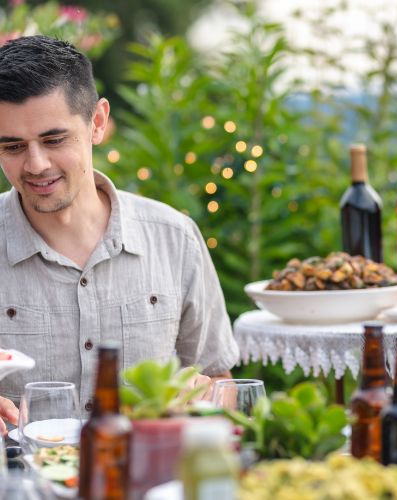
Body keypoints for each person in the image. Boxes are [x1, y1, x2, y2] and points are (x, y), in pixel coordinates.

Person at [0, 35, 240, 433]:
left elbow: (220, 378)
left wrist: (207, 399)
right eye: (12, 147)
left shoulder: (174, 238)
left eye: (54, 140)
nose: (36, 164)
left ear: (97, 122)